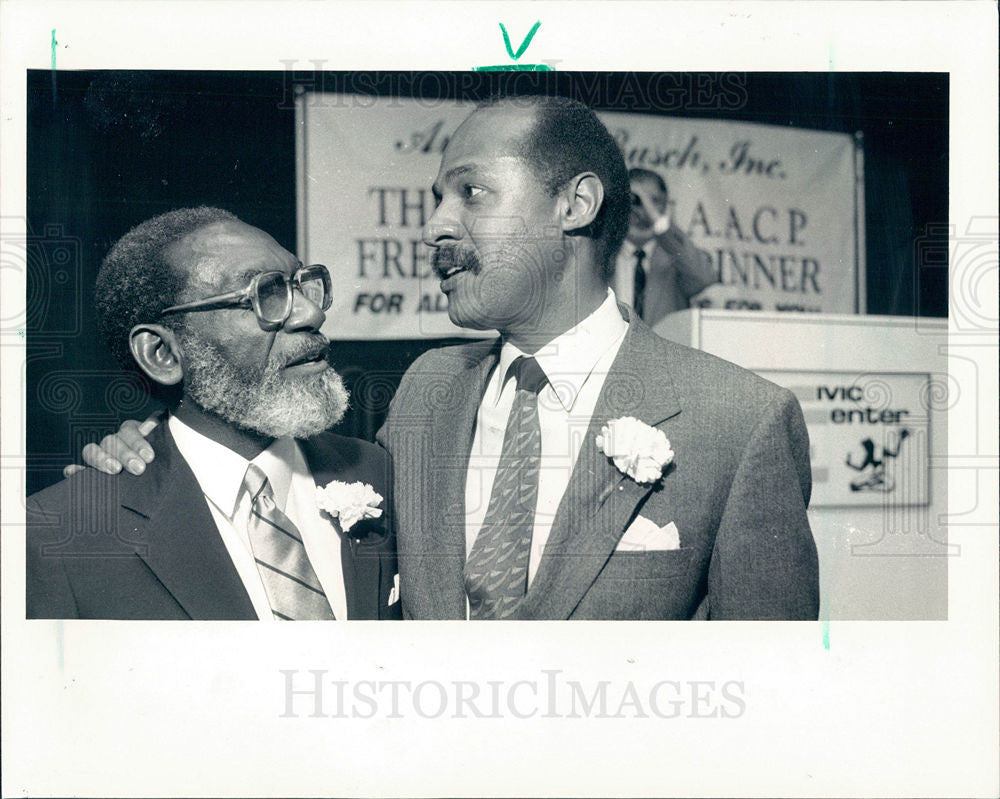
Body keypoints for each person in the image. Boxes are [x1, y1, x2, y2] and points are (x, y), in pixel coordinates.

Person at [72, 96, 819, 620]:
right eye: (437, 197)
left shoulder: (742, 419)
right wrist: (150, 453)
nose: (434, 226)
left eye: (471, 193)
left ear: (576, 204)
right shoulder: (428, 390)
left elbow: (774, 693)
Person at [30, 207, 400, 620]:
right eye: (265, 294)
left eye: (301, 285)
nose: (312, 315)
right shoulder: (58, 536)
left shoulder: (381, 472)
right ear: (163, 353)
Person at [613, 167, 717, 325]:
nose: (641, 212)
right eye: (634, 200)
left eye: (654, 200)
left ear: (665, 206)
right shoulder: (601, 255)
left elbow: (705, 277)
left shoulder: (675, 258)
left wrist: (656, 218)